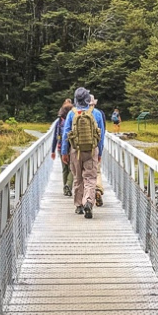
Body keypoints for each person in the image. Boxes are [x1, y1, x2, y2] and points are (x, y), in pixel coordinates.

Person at [61, 87, 105, 219]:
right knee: (90, 178)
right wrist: (100, 153)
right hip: (91, 150)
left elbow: (66, 134)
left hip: (75, 150)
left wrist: (64, 152)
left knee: (78, 178)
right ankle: (89, 202)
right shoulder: (96, 113)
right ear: (87, 99)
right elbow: (101, 135)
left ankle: (79, 205)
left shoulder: (71, 113)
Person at [51, 100, 74, 196]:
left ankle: (65, 189)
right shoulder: (73, 120)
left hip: (60, 148)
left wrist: (53, 150)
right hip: (72, 148)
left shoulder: (59, 122)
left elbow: (55, 137)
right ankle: (69, 184)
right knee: (72, 169)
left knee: (64, 169)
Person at [89, 95, 105, 207]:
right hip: (95, 147)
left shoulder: (76, 113)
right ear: (94, 103)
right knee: (97, 172)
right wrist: (100, 151)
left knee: (85, 175)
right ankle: (98, 190)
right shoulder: (99, 114)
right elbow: (102, 134)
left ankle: (86, 200)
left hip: (80, 150)